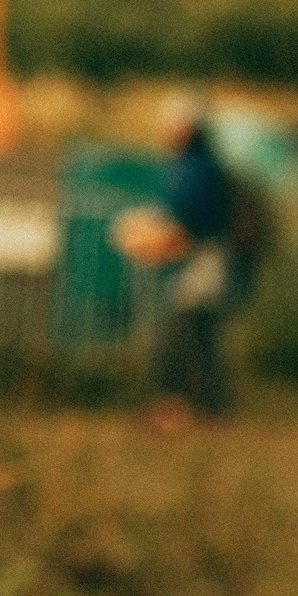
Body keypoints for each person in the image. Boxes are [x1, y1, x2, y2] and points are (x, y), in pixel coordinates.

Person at [110, 90, 238, 422]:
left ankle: (193, 407)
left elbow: (187, 227)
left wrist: (148, 238)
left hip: (201, 266)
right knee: (195, 338)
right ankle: (201, 407)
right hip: (199, 265)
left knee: (185, 337)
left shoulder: (194, 169)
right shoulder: (196, 165)